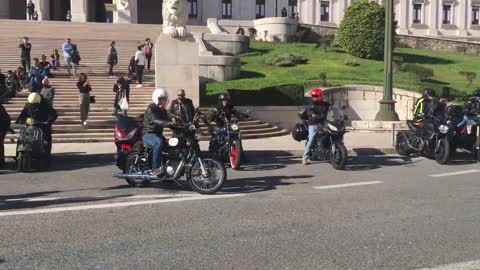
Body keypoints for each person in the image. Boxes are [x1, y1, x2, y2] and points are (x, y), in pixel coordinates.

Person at [16, 92, 58, 159]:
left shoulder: (45, 105)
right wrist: (20, 119)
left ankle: (47, 156)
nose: (33, 105)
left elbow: (54, 114)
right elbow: (23, 113)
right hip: (29, 125)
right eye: (31, 104)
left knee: (46, 139)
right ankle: (18, 154)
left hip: (42, 125)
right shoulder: (28, 104)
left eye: (34, 104)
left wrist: (49, 122)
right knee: (21, 138)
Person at [143, 88, 174, 176]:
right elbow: (155, 119)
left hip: (158, 135)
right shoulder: (151, 108)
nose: (164, 101)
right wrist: (168, 122)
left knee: (170, 146)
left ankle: (166, 169)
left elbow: (170, 120)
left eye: (165, 99)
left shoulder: (163, 111)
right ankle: (155, 168)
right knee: (159, 142)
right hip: (148, 134)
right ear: (156, 99)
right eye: (161, 99)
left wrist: (180, 125)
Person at [300, 88, 331, 165]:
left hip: (323, 122)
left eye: (316, 96)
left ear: (320, 95)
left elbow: (333, 108)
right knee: (312, 139)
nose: (314, 97)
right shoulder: (311, 104)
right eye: (313, 96)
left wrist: (339, 111)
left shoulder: (325, 104)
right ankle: (305, 158)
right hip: (313, 123)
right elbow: (311, 113)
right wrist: (314, 115)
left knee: (334, 132)